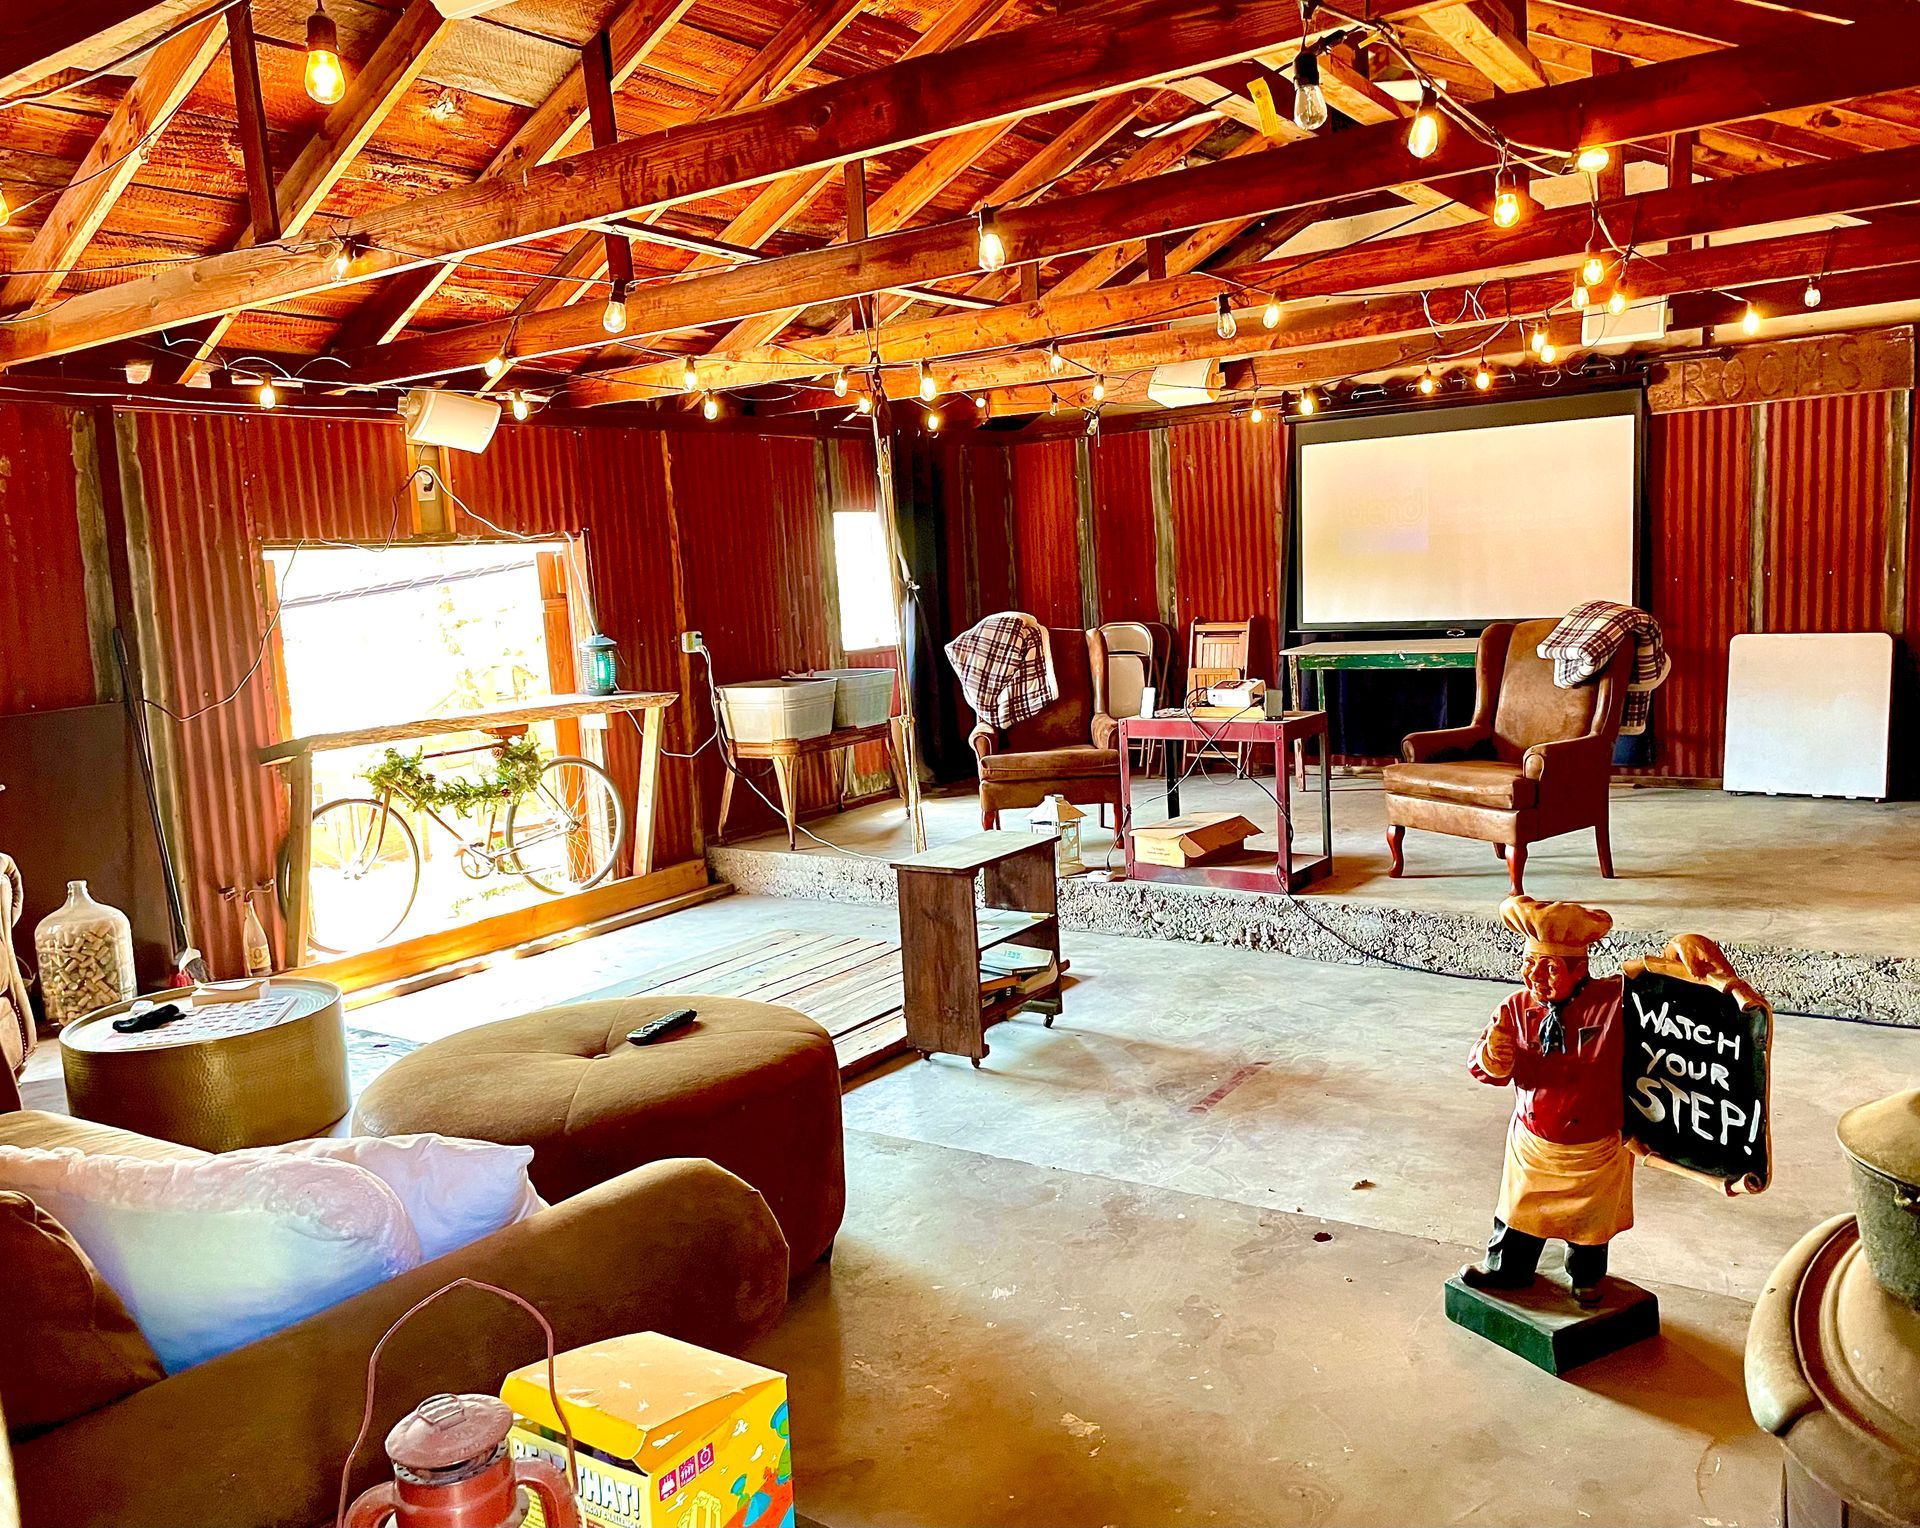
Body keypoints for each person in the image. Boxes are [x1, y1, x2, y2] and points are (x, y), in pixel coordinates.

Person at [1461, 894, 1634, 1306]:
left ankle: (1587, 1276)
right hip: (1534, 1140)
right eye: (1530, 964)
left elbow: (1662, 996)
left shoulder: (1614, 1003)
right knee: (1519, 1208)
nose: (1536, 977)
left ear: (1580, 968)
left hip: (1596, 1144)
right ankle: (1508, 1269)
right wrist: (1496, 1053)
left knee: (1591, 1222)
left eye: (1550, 967)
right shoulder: (1516, 1008)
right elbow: (1488, 1070)